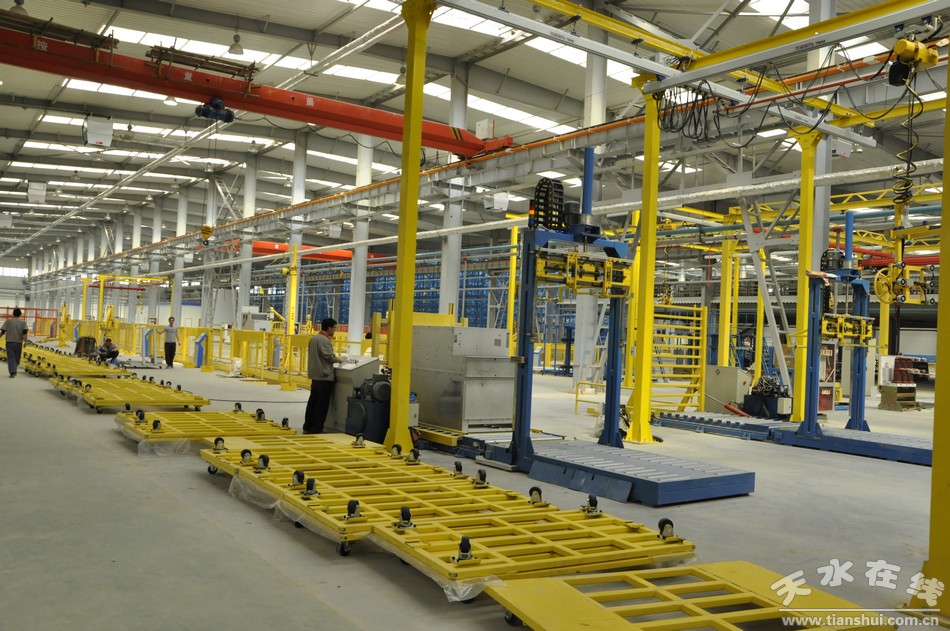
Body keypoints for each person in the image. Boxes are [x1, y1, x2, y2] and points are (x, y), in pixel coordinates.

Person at [303, 318, 341, 434]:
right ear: (329, 328)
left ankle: (307, 426)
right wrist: (341, 360)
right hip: (324, 377)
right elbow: (329, 357)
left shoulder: (314, 339)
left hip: (315, 376)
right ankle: (317, 429)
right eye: (334, 328)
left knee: (312, 403)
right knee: (321, 405)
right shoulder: (324, 340)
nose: (335, 330)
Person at [0, 307, 28, 378]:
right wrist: (26, 341)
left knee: (11, 357)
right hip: (18, 343)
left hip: (9, 342)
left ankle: (13, 371)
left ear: (13, 314)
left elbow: (3, 331)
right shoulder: (23, 322)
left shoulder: (8, 321)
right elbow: (25, 333)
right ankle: (13, 371)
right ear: (20, 314)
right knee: (17, 358)